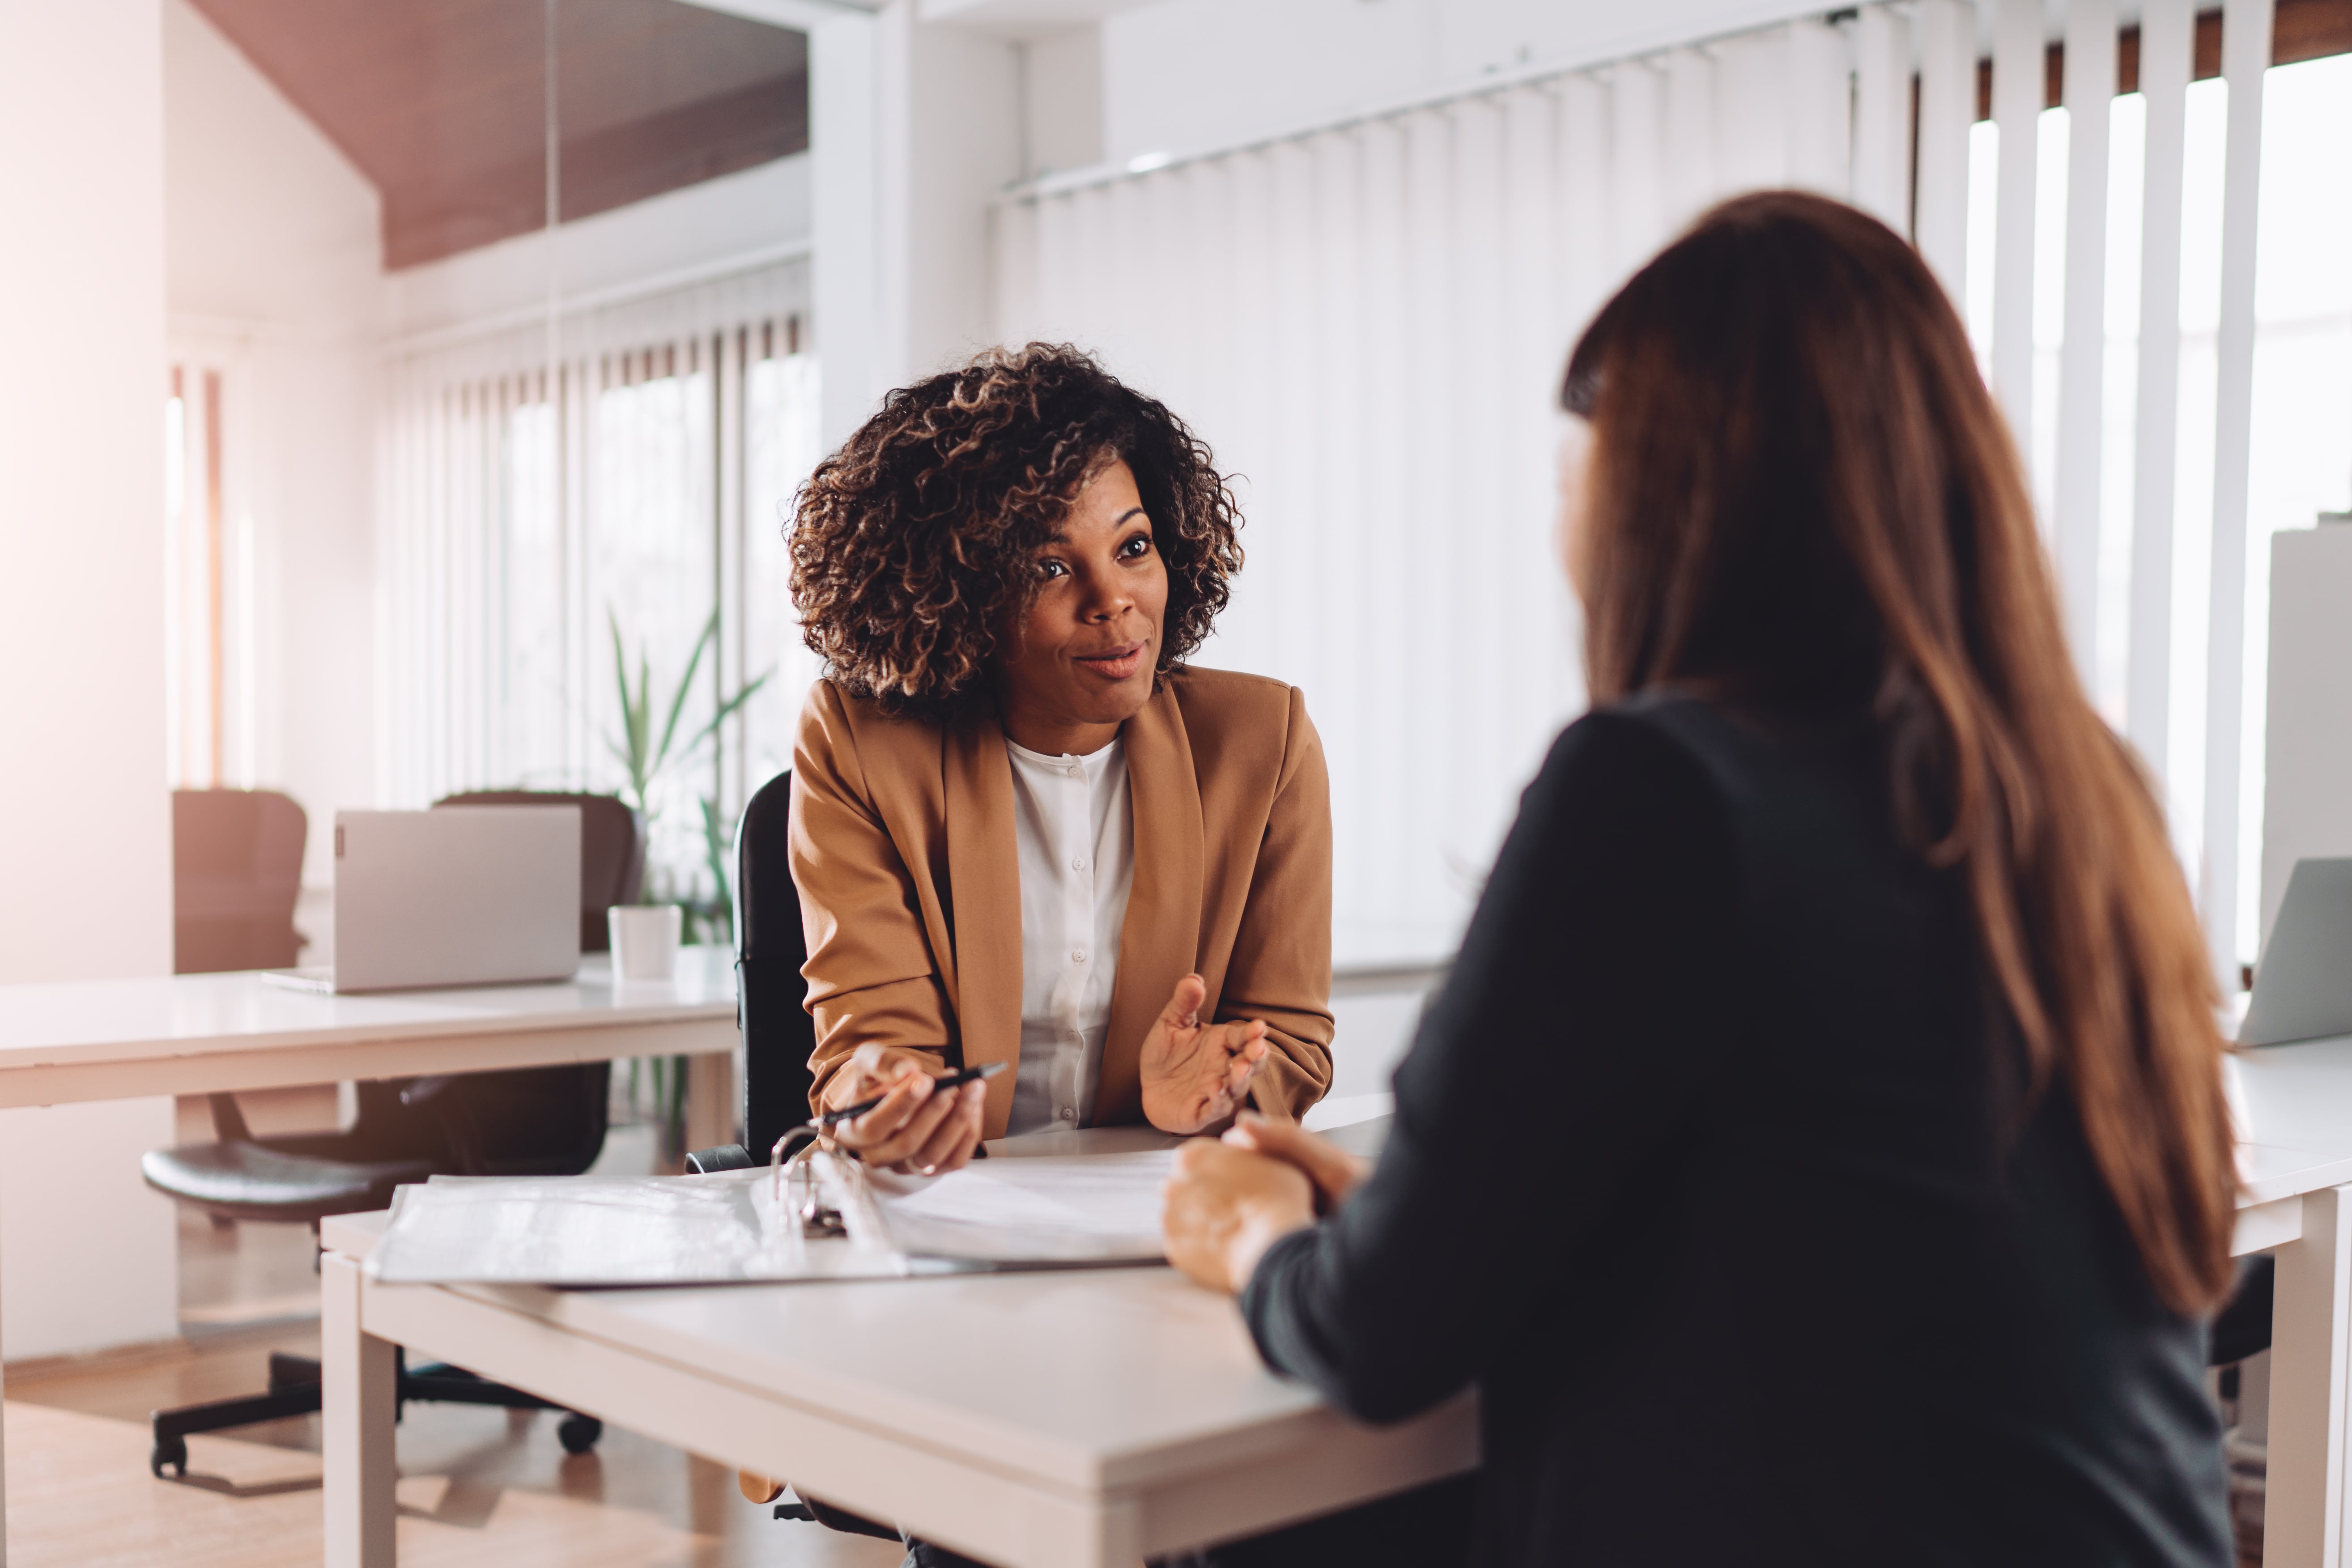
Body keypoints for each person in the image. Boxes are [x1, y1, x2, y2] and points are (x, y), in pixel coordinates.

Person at [1164, 191, 2239, 1567]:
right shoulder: (2083, 789)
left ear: (1667, 492)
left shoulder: (1657, 789)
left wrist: (1256, 1239)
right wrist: (1396, 1218)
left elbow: (1377, 1336)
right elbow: (1803, 1215)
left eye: (1574, 472)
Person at [784, 344, 1333, 1178]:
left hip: (1157, 1219)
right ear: (956, 593)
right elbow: (869, 1037)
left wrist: (1223, 1089)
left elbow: (1289, 1037)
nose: (1111, 598)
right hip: (949, 1216)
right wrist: (885, 1097)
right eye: (1048, 566)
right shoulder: (860, 744)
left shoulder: (1263, 743)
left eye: (1133, 546)